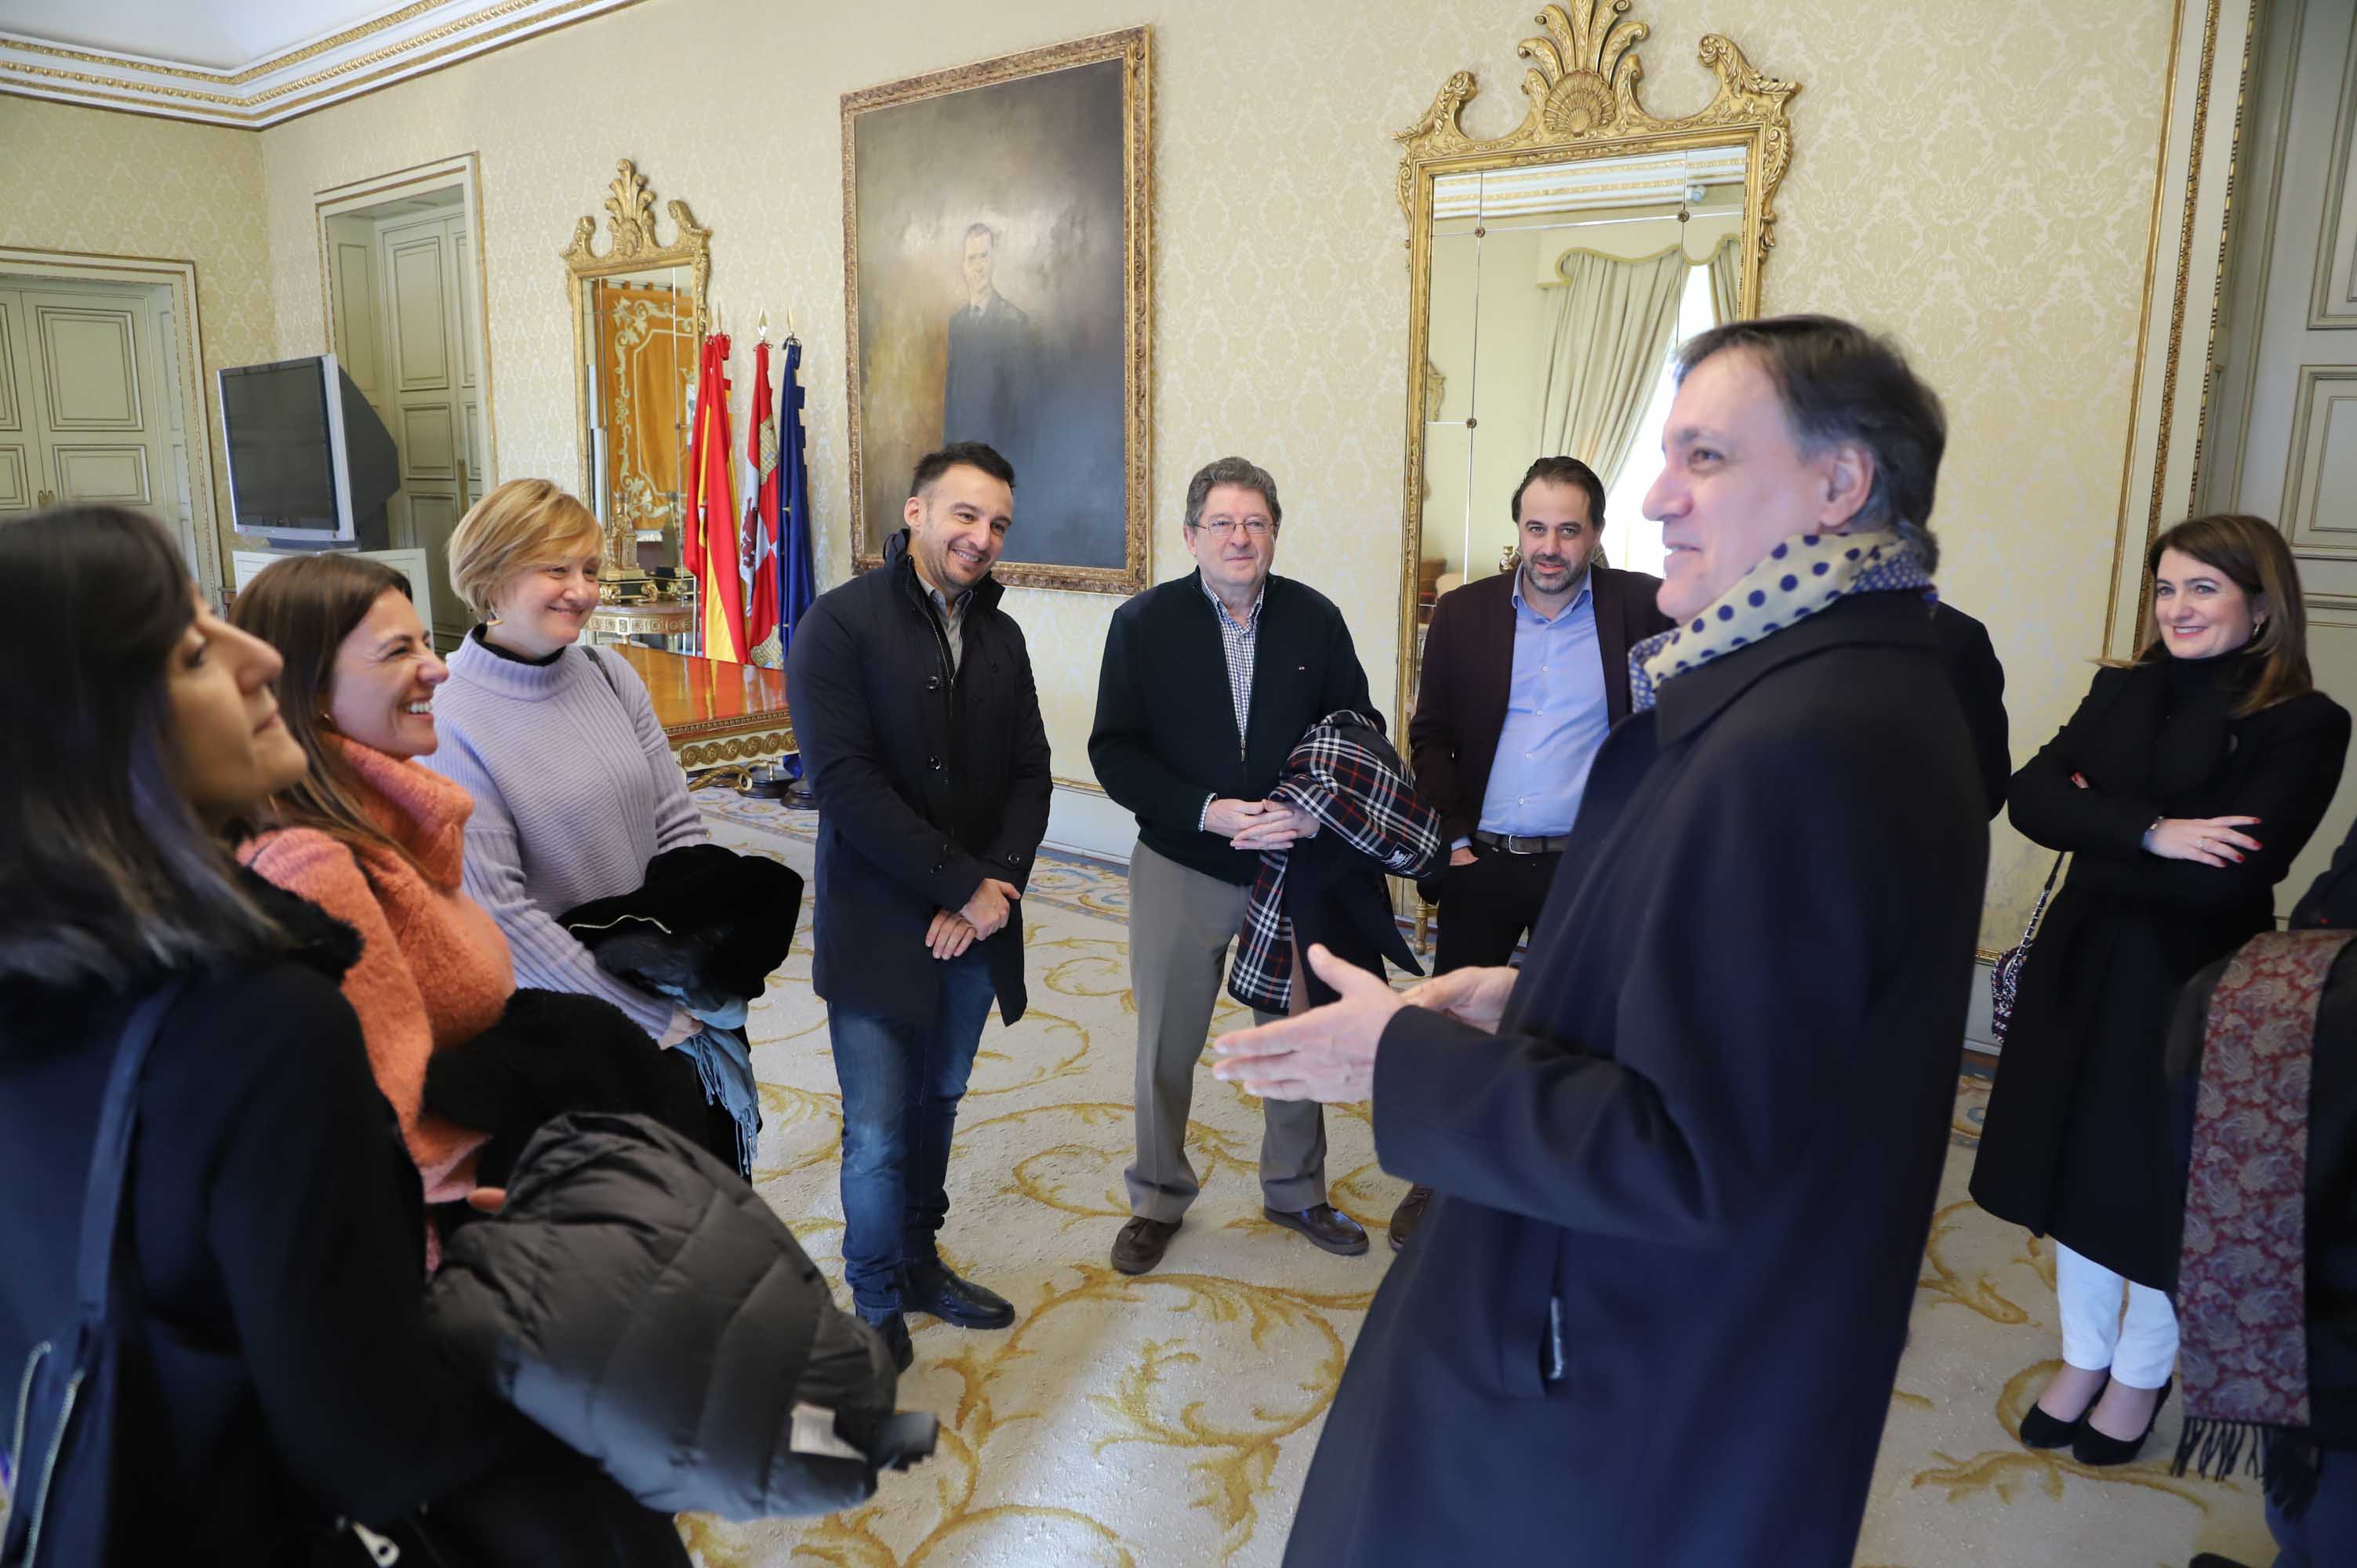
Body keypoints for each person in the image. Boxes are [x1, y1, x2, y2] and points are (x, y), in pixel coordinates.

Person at [1211, 316, 1988, 1565]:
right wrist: (1529, 999)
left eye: (1705, 458)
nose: (1655, 497)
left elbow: (1689, 1154)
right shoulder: (1815, 684)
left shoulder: (1809, 743)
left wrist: (1396, 1058)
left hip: (1622, 1390)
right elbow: (1735, 1015)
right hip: (1633, 1349)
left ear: (1840, 486)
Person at [0, 504, 685, 1565]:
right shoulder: (258, 1018)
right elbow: (377, 1445)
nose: (258, 654)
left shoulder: (53, 984)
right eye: (192, 648)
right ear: (91, 731)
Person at [1970, 513, 2351, 1466]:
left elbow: (2231, 870)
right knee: (2072, 1171)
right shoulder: (2123, 687)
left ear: (2262, 604)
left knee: (2157, 1187)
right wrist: (2153, 831)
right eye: (2166, 587)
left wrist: (2100, 815)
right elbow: (2030, 794)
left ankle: (2141, 1373)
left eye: (2204, 588)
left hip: (2188, 982)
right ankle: (2084, 1353)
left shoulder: (2304, 722)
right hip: (2081, 958)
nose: (2177, 607)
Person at [786, 441, 1051, 1372]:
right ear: (916, 512)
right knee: (879, 1129)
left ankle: (918, 1260)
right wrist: (960, 883)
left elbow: (1030, 773)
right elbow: (847, 786)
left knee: (939, 1100)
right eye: (965, 515)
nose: (981, 537)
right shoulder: (836, 626)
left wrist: (994, 890)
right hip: (878, 920)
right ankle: (873, 1303)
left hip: (976, 920)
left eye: (998, 524)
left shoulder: (1003, 636)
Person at [1090, 456, 1380, 1276]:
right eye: (1222, 522)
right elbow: (1114, 750)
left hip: (1288, 866)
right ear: (1191, 536)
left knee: (1291, 1036)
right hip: (1181, 860)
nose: (1240, 537)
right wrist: (1205, 808)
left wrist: (1305, 807)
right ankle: (1156, 1198)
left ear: (1275, 534)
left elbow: (1358, 727)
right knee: (1164, 1045)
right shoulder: (1143, 625)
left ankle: (1295, 1189)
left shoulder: (1315, 620)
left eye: (1256, 522)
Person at [421, 478, 749, 1170]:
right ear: (492, 574)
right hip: (573, 1029)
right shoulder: (451, 716)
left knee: (714, 1188)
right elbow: (504, 918)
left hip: (670, 988)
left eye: (591, 570)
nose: (582, 589)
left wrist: (700, 955)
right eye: (555, 569)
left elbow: (676, 821)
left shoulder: (609, 673)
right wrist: (650, 1019)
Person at [1395, 454, 1673, 1247]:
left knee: (1573, 1031)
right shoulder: (1464, 612)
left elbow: (1672, 728)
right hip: (1484, 857)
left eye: (1568, 529)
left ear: (1596, 533)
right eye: (1536, 527)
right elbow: (1432, 732)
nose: (1550, 546)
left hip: (1586, 869)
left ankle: (1553, 1180)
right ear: (1519, 529)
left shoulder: (1645, 607)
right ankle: (1438, 1178)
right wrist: (1451, 836)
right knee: (1456, 1026)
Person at [227, 552, 505, 1203]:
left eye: (428, 644)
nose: (437, 669)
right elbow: (384, 1131)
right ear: (311, 688)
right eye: (397, 651)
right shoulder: (315, 865)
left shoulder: (391, 820)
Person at [942, 222, 1034, 456]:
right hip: (961, 460)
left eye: (983, 257)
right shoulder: (957, 324)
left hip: (999, 460)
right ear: (963, 266)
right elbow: (952, 403)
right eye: (971, 259)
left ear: (993, 262)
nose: (978, 267)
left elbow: (1021, 411)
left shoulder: (1015, 322)